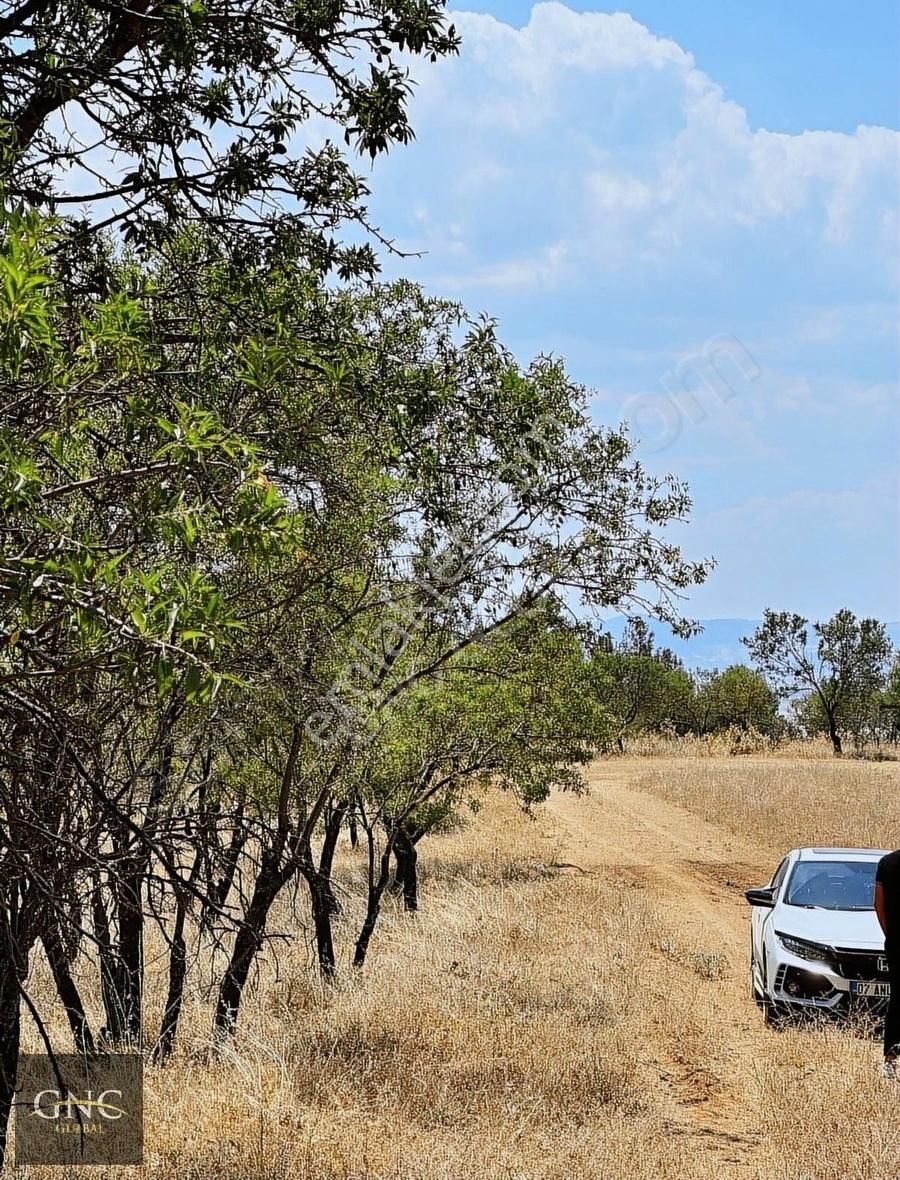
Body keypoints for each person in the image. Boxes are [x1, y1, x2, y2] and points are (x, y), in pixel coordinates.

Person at [874, 849, 900, 1077]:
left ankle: (890, 1060)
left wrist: (889, 935)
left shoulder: (887, 862)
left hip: (896, 944)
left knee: (897, 1000)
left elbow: (878, 905)